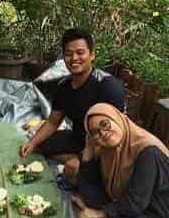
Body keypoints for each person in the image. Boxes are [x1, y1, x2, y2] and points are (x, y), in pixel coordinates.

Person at [20, 29, 126, 183]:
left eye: (80, 52)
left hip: (105, 145)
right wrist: (31, 143)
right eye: (69, 53)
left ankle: (85, 171)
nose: (74, 58)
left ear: (92, 55)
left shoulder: (108, 86)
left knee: (79, 172)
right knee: (40, 142)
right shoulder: (64, 85)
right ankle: (75, 162)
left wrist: (83, 159)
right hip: (78, 138)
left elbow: (117, 135)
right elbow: (52, 122)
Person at [70, 104, 169, 218]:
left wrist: (99, 214)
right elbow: (88, 178)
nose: (103, 133)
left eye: (105, 124)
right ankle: (110, 217)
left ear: (117, 119)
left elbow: (135, 202)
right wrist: (89, 147)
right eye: (95, 133)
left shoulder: (147, 151)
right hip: (124, 202)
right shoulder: (107, 149)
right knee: (86, 186)